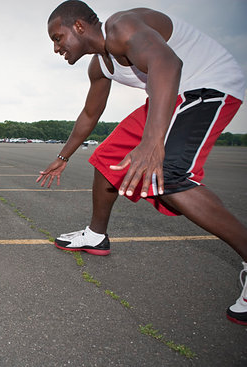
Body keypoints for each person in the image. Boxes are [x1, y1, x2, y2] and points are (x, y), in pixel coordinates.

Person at [37, 0, 247, 325]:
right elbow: (90, 115)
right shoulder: (100, 66)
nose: (56, 47)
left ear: (79, 26)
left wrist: (152, 142)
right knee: (108, 157)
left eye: (57, 37)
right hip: (172, 94)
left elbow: (168, 63)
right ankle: (96, 234)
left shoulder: (121, 26)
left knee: (169, 175)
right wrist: (62, 157)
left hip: (207, 84)